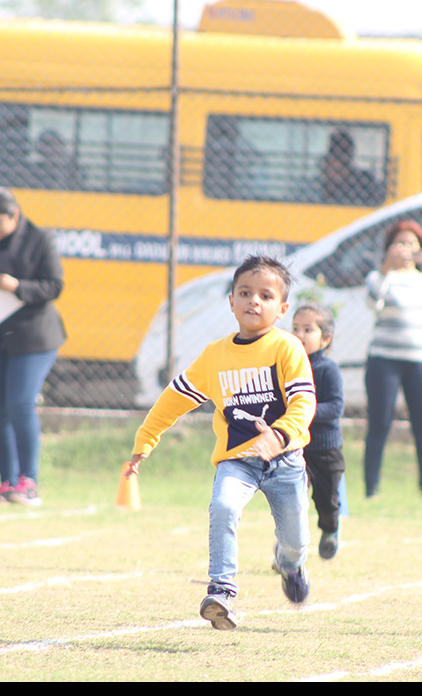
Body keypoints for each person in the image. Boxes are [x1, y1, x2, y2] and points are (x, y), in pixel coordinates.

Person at [127, 255, 316, 630]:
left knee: (295, 542)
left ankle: (290, 564)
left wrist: (278, 436)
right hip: (238, 461)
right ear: (231, 301)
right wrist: (145, 440)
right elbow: (173, 398)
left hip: (286, 461)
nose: (254, 301)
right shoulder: (215, 355)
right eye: (245, 292)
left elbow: (303, 401)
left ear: (282, 308)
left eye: (265, 295)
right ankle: (222, 591)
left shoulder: (287, 348)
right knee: (223, 507)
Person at [0, 187, 66, 507]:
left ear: (14, 216)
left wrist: (17, 286)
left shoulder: (39, 239)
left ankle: (29, 482)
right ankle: (7, 483)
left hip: (32, 337)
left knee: (20, 404)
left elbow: (54, 285)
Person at [363, 220, 422, 498]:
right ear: (389, 249)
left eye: (410, 243)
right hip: (384, 361)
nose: (404, 248)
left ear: (420, 250)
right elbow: (372, 302)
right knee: (379, 424)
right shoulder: (380, 278)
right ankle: (371, 488)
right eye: (398, 243)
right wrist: (386, 270)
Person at [292, 303, 345, 560]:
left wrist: (304, 411)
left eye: (307, 329)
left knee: (326, 501)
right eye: (295, 329)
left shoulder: (328, 370)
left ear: (325, 339)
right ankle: (288, 548)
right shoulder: (287, 366)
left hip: (325, 449)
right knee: (291, 500)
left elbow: (335, 407)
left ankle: (330, 528)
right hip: (295, 448)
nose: (299, 335)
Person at [319, 130, 383, 206]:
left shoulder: (364, 184)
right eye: (333, 167)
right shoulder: (314, 186)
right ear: (327, 164)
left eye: (343, 164)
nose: (337, 173)